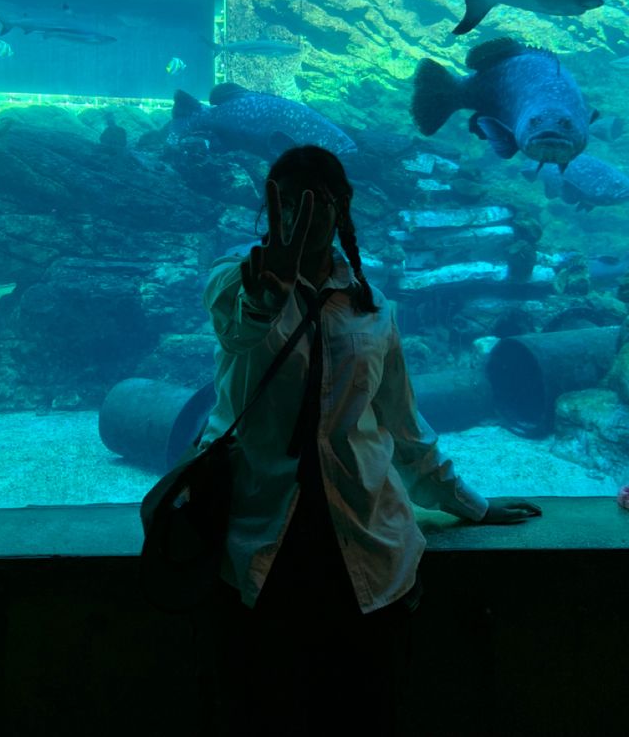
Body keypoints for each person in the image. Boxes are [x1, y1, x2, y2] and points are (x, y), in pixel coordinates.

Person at [199, 144, 541, 737]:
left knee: (370, 712)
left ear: (342, 207)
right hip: (264, 543)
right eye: (286, 201)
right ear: (268, 208)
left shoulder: (373, 308)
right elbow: (238, 327)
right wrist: (266, 297)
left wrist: (472, 505)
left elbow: (406, 431)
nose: (301, 216)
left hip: (369, 545)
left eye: (318, 200)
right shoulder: (235, 282)